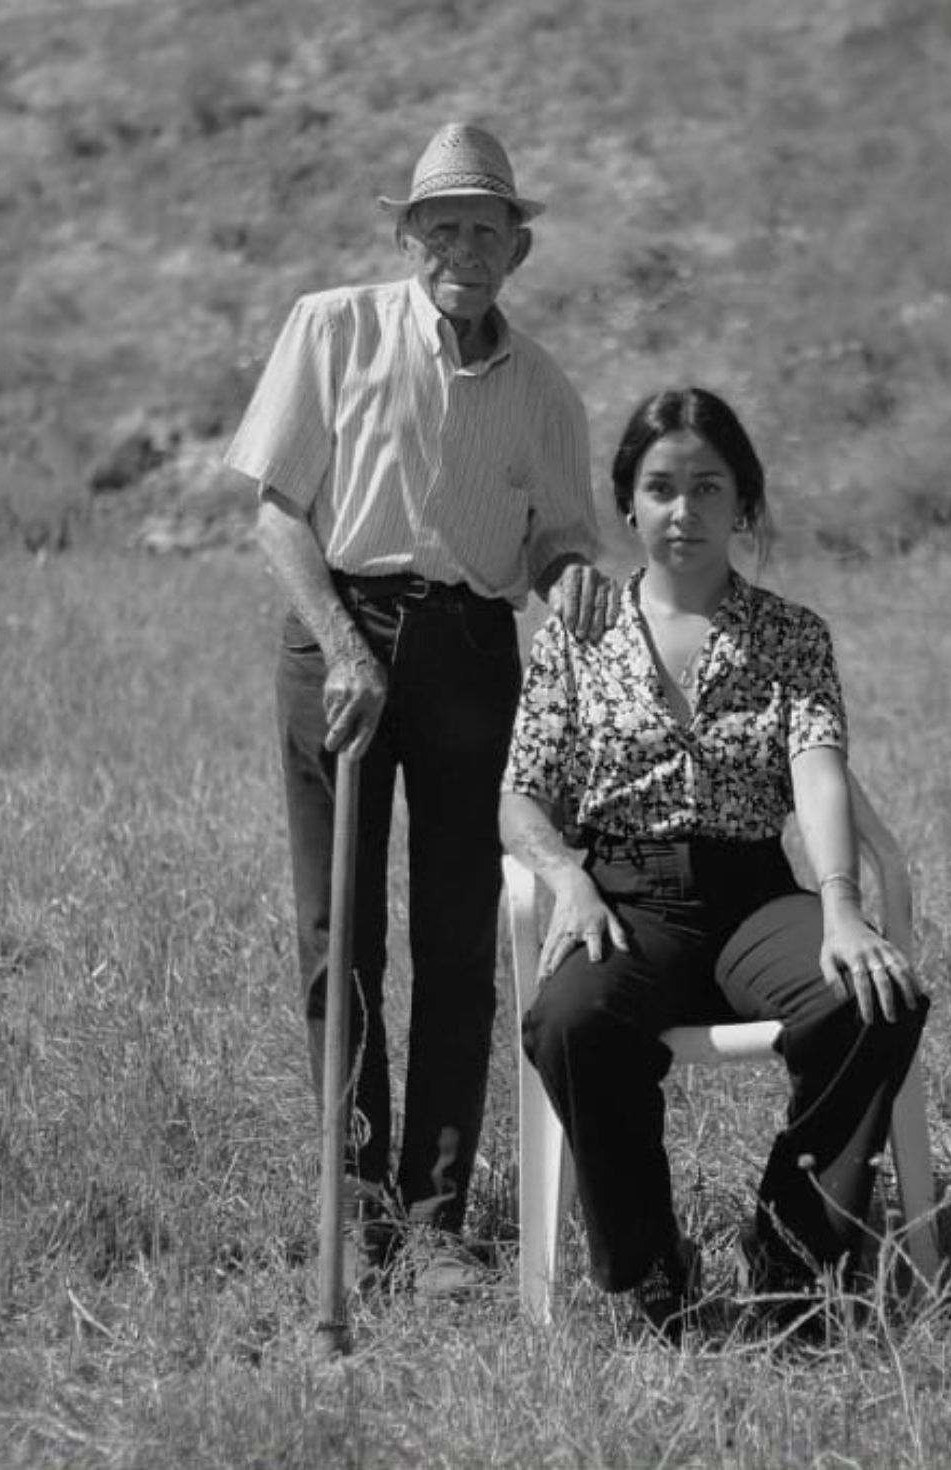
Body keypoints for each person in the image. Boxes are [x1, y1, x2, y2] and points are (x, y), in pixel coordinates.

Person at [224, 122, 615, 1292]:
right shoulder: (330, 327)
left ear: (519, 249)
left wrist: (570, 576)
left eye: (484, 230)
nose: (463, 250)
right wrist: (346, 646)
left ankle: (437, 1221)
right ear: (407, 237)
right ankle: (355, 1211)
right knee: (338, 932)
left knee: (458, 937)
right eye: (441, 228)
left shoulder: (544, 389)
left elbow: (557, 541)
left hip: (470, 651)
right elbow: (277, 515)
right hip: (336, 633)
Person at [499, 387, 929, 1341]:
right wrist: (566, 877)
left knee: (875, 996)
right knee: (570, 1022)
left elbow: (818, 771)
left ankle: (790, 1252)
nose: (683, 511)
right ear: (628, 504)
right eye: (661, 488)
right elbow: (521, 796)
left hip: (751, 897)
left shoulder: (791, 636)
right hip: (625, 898)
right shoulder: (576, 637)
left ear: (743, 503)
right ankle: (655, 1269)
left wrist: (842, 907)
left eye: (707, 487)